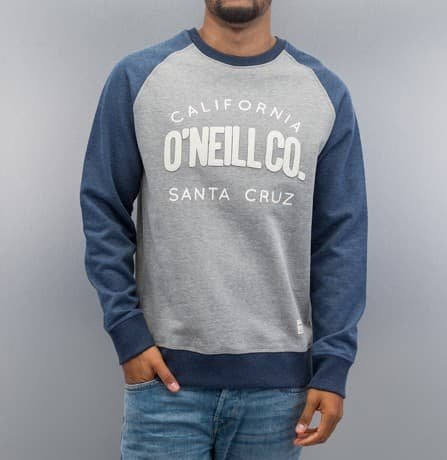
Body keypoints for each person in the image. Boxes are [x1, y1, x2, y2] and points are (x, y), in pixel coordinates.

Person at [79, 0, 368, 458]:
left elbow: (341, 239)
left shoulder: (324, 93)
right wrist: (128, 333)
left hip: (279, 392)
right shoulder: (138, 78)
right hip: (164, 385)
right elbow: (103, 208)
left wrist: (334, 364)